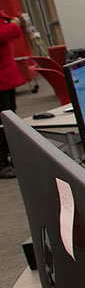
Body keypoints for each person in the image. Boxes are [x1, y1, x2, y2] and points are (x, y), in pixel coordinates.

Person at [0, 11, 25, 179]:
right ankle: (2, 163)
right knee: (2, 121)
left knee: (9, 117)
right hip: (2, 77)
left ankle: (13, 156)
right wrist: (14, 25)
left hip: (6, 74)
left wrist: (13, 22)